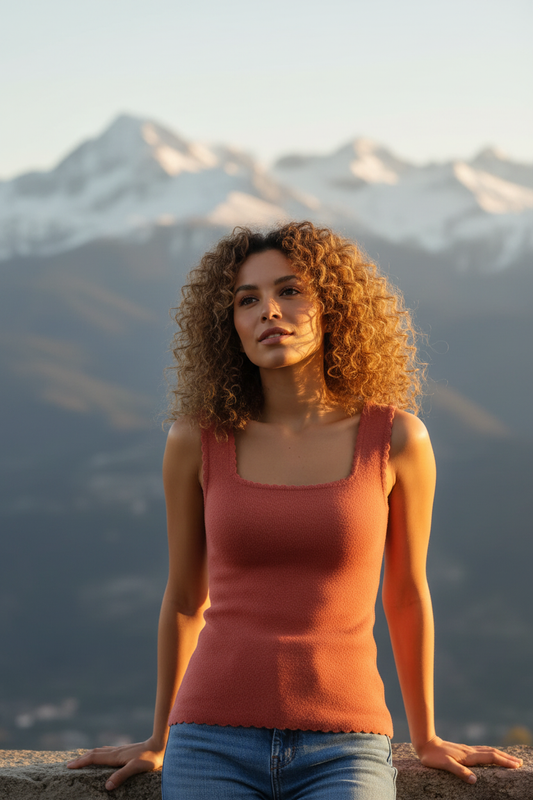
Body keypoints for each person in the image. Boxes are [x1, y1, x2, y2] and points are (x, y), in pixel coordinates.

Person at [68, 221, 522, 797]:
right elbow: (185, 597)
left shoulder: (398, 439)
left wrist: (426, 735)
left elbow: (406, 592)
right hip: (209, 737)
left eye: (290, 291)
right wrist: (160, 736)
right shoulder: (197, 440)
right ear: (228, 324)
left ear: (333, 307)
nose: (269, 311)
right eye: (247, 299)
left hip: (347, 744)